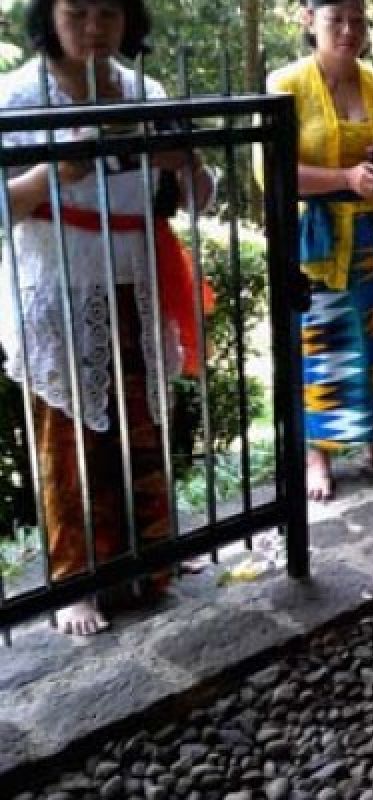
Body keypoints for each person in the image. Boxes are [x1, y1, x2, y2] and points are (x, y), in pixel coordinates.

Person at [0, 0, 215, 635]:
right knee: (68, 436)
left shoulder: (146, 90)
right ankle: (77, 581)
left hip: (137, 277)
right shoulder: (15, 96)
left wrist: (186, 162)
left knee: (141, 421)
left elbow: (196, 197)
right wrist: (49, 174)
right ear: (50, 16)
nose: (94, 28)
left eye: (108, 14)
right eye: (78, 12)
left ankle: (153, 560)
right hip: (58, 281)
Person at [266, 0, 373, 502]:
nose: (349, 30)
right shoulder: (285, 85)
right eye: (337, 20)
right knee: (326, 346)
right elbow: (272, 171)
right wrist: (345, 179)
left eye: (358, 20)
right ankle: (318, 455)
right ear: (309, 20)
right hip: (323, 240)